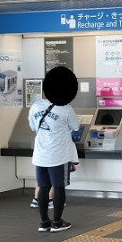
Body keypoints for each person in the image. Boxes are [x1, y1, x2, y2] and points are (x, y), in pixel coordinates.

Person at [28, 66, 79, 233]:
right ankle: (57, 222)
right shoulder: (66, 109)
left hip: (40, 155)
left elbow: (33, 127)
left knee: (43, 187)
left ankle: (44, 223)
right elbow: (75, 127)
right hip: (58, 155)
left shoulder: (36, 106)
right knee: (59, 188)